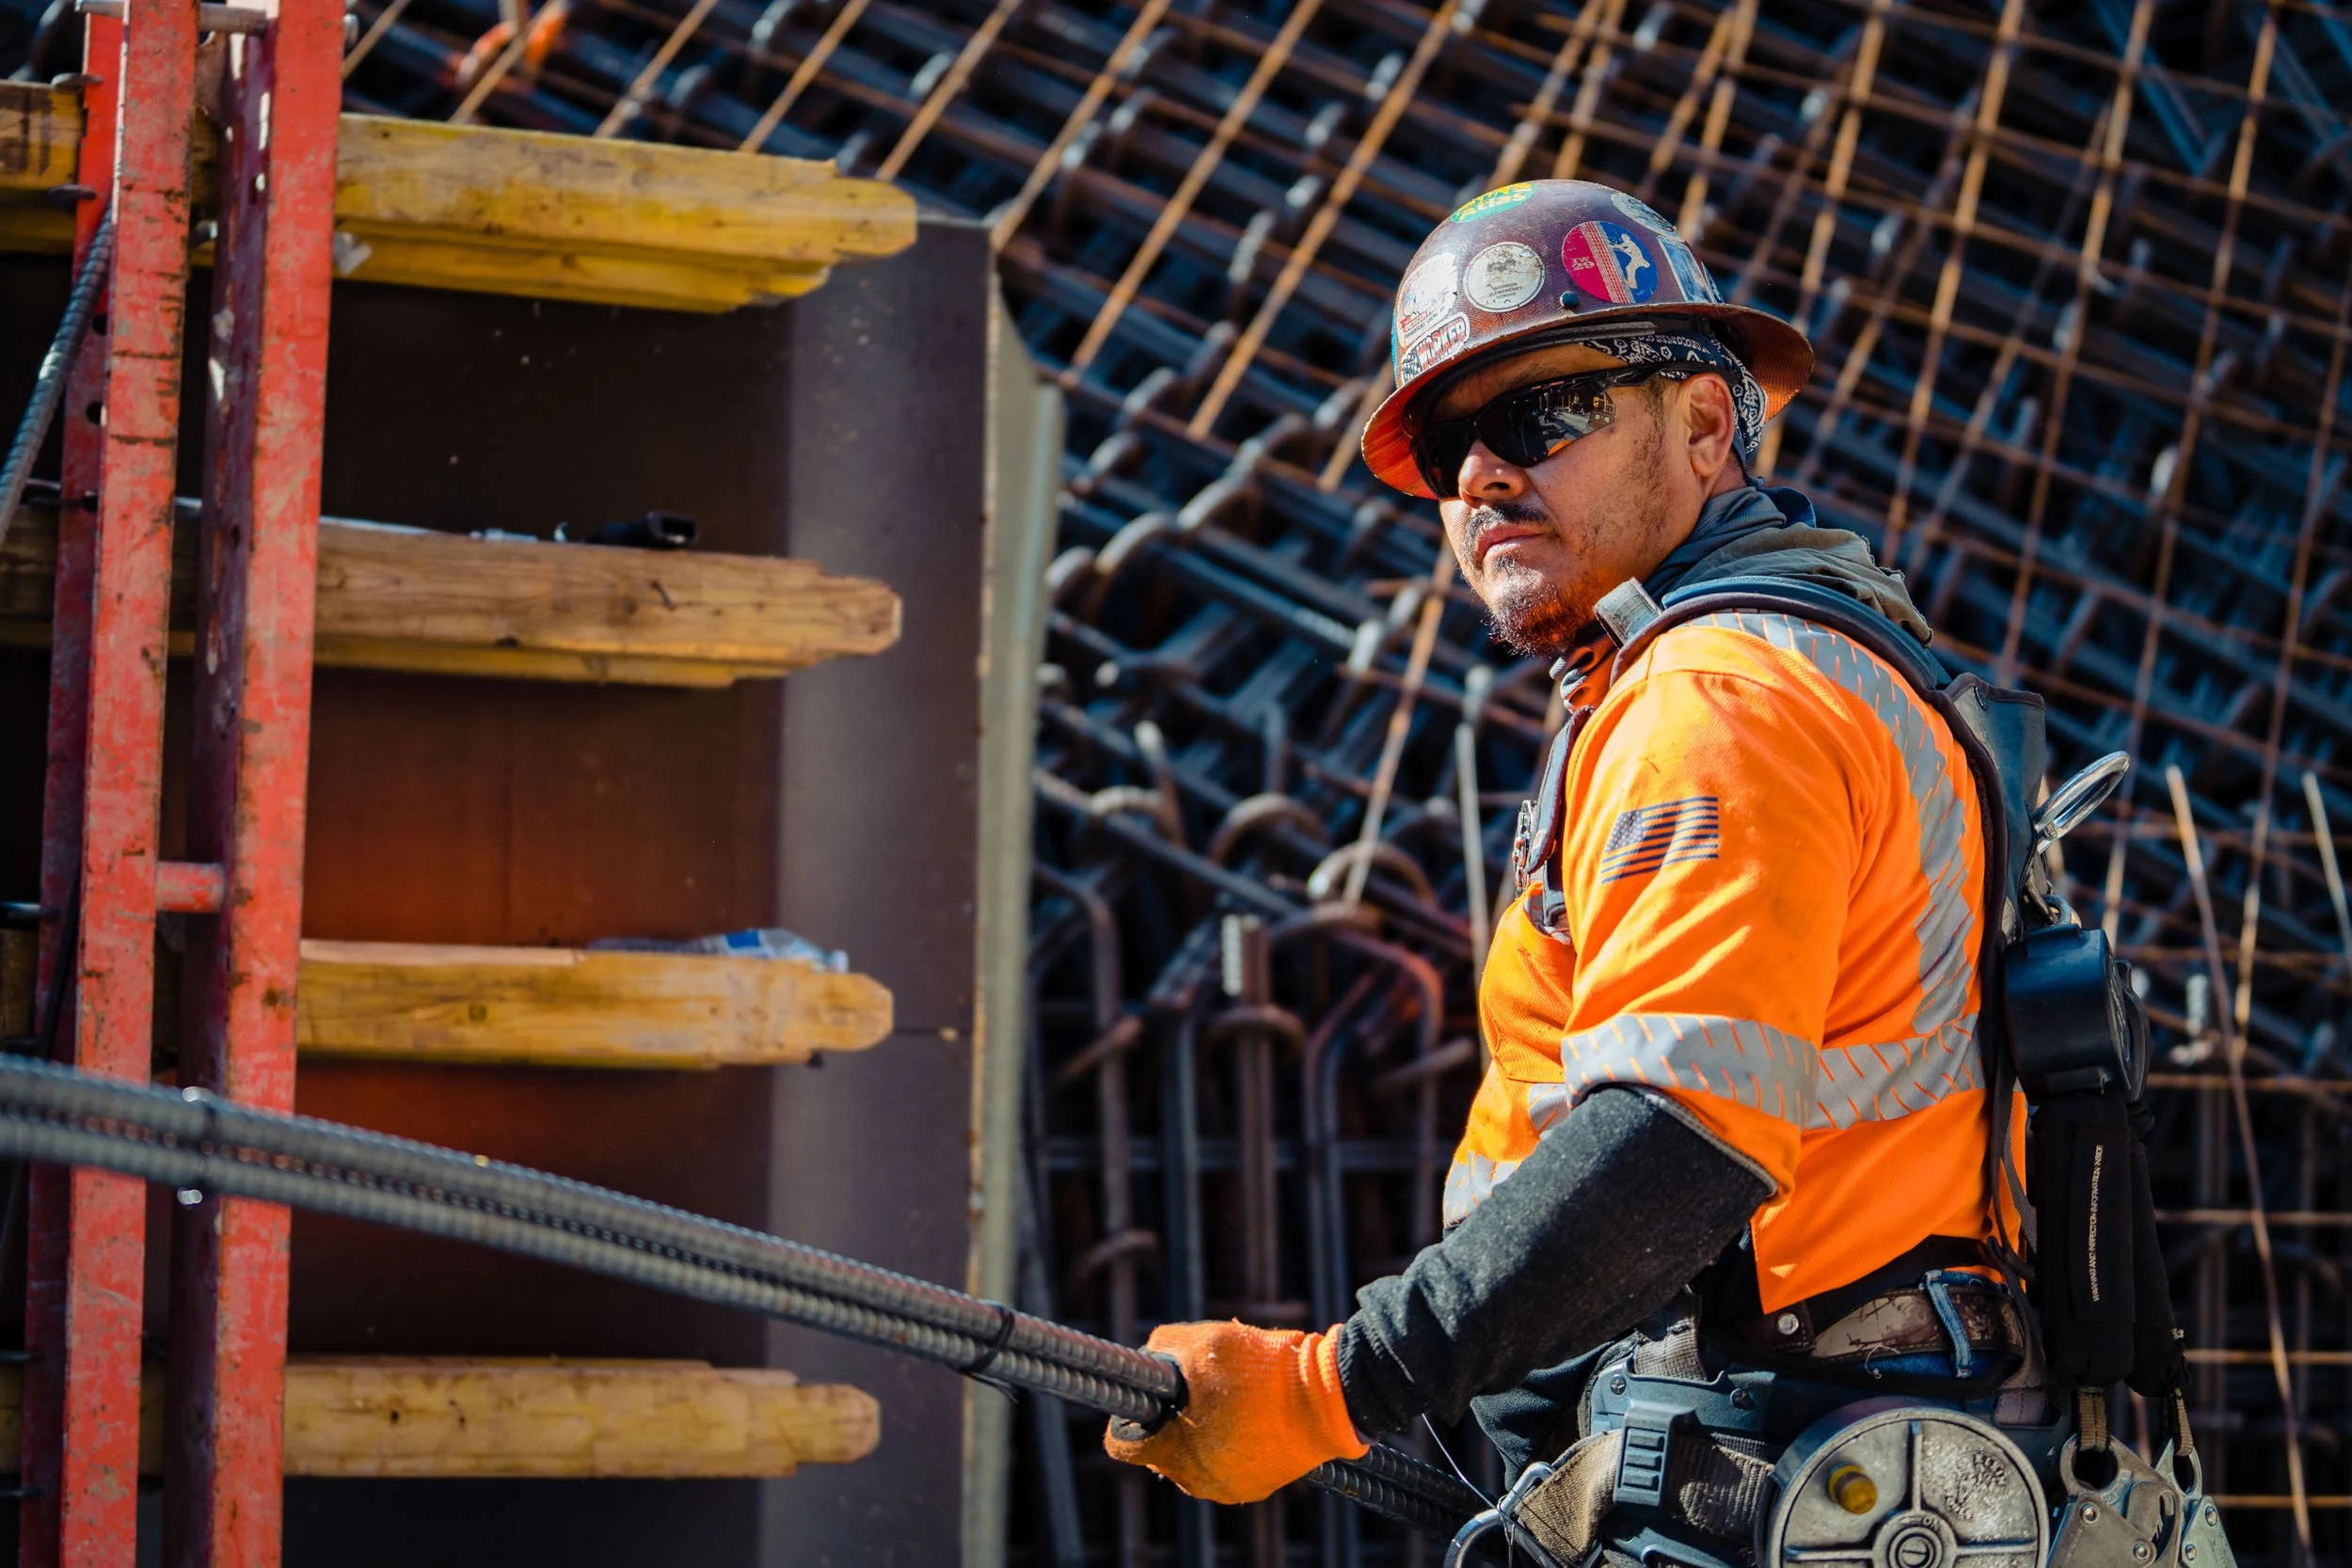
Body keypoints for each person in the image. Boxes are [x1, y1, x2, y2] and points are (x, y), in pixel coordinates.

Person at [1103, 179, 2036, 1560]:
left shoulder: (1717, 694)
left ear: (1708, 424)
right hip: (1822, 1446)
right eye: (1450, 447)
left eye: (1541, 416)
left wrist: (1325, 1390)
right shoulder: (1795, 658)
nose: (1482, 475)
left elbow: (1676, 1140)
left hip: (1776, 1446)